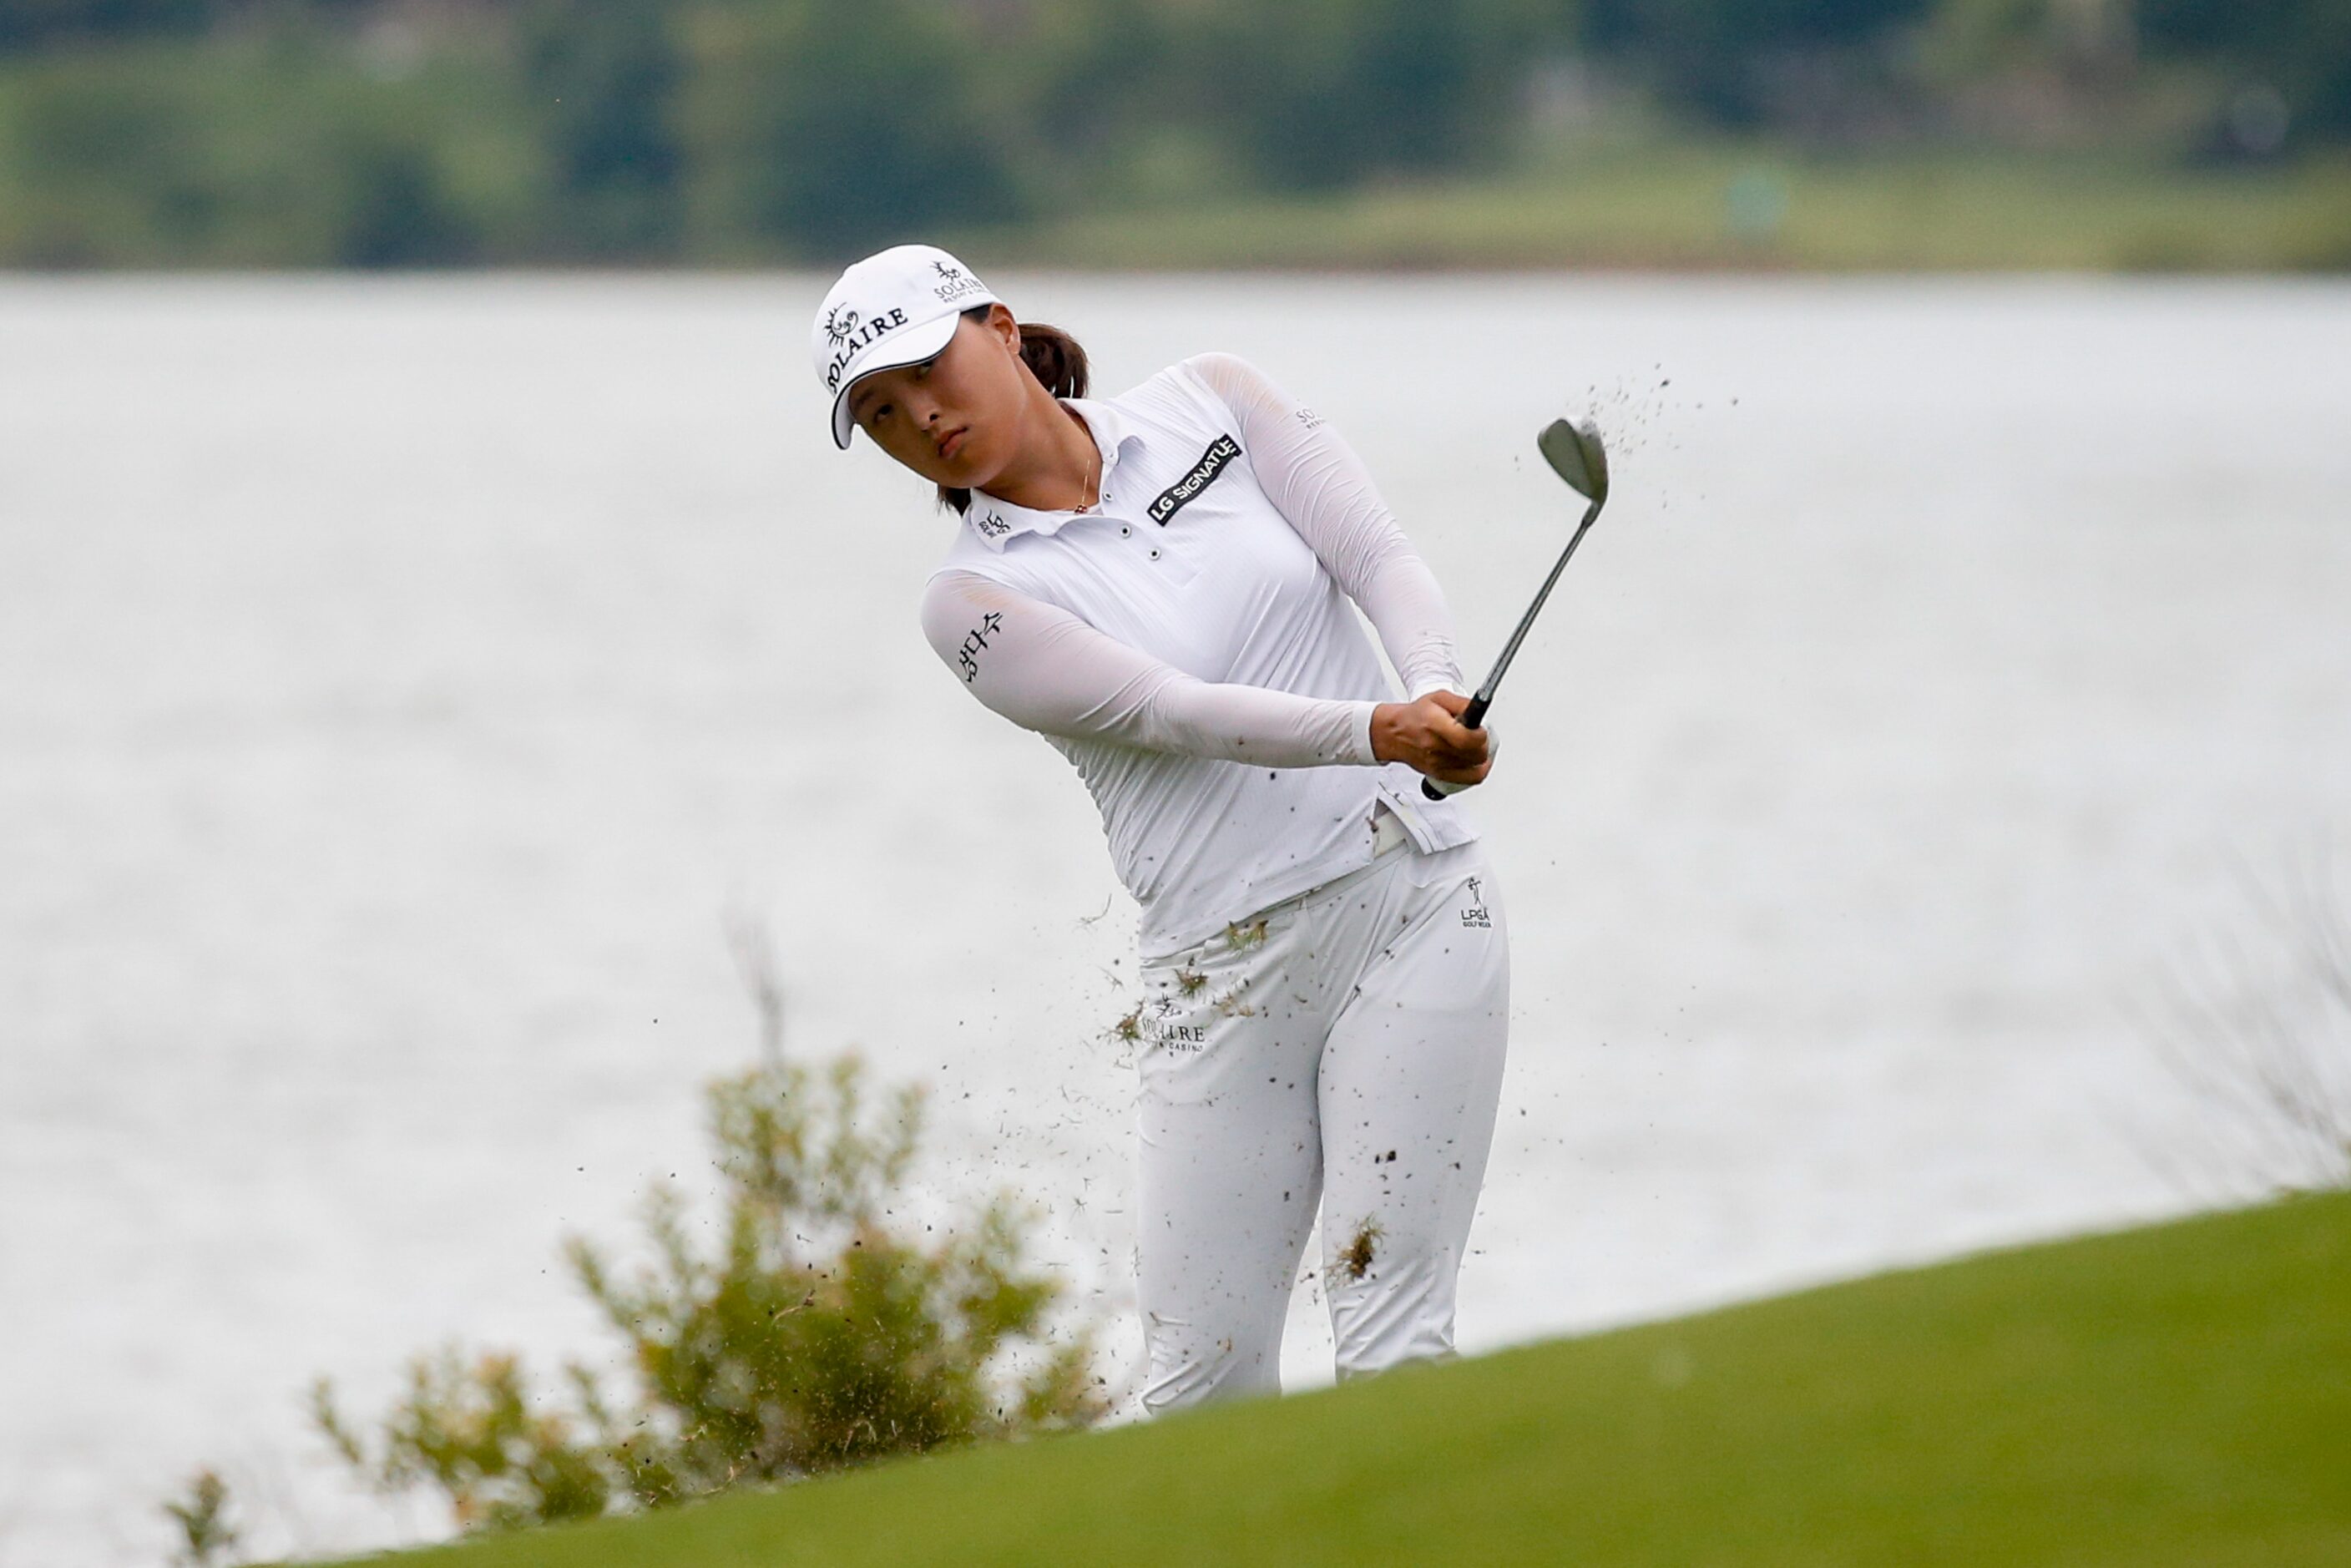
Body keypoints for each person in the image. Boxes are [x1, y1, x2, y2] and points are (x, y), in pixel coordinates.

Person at [811, 243, 1509, 1414]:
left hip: (1417, 898)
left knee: (1395, 1334)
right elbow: (1168, 711)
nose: (920, 416)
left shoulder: (1213, 399)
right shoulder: (970, 603)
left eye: (927, 369)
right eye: (880, 413)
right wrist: (1383, 727)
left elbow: (1375, 553)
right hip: (1222, 974)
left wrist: (1437, 691)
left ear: (998, 325)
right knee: (1203, 1390)